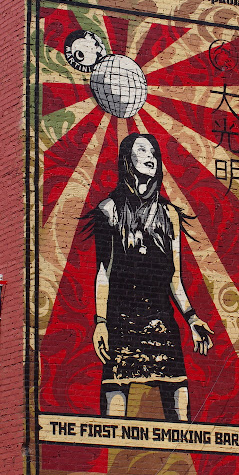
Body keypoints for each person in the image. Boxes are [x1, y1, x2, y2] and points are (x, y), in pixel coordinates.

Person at [90, 133, 213, 422]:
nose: (151, 157)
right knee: (114, 412)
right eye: (142, 150)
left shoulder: (169, 215)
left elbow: (174, 278)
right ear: (127, 160)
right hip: (121, 322)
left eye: (154, 152)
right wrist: (101, 323)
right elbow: (103, 273)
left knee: (180, 410)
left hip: (161, 322)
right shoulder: (109, 210)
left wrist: (192, 318)